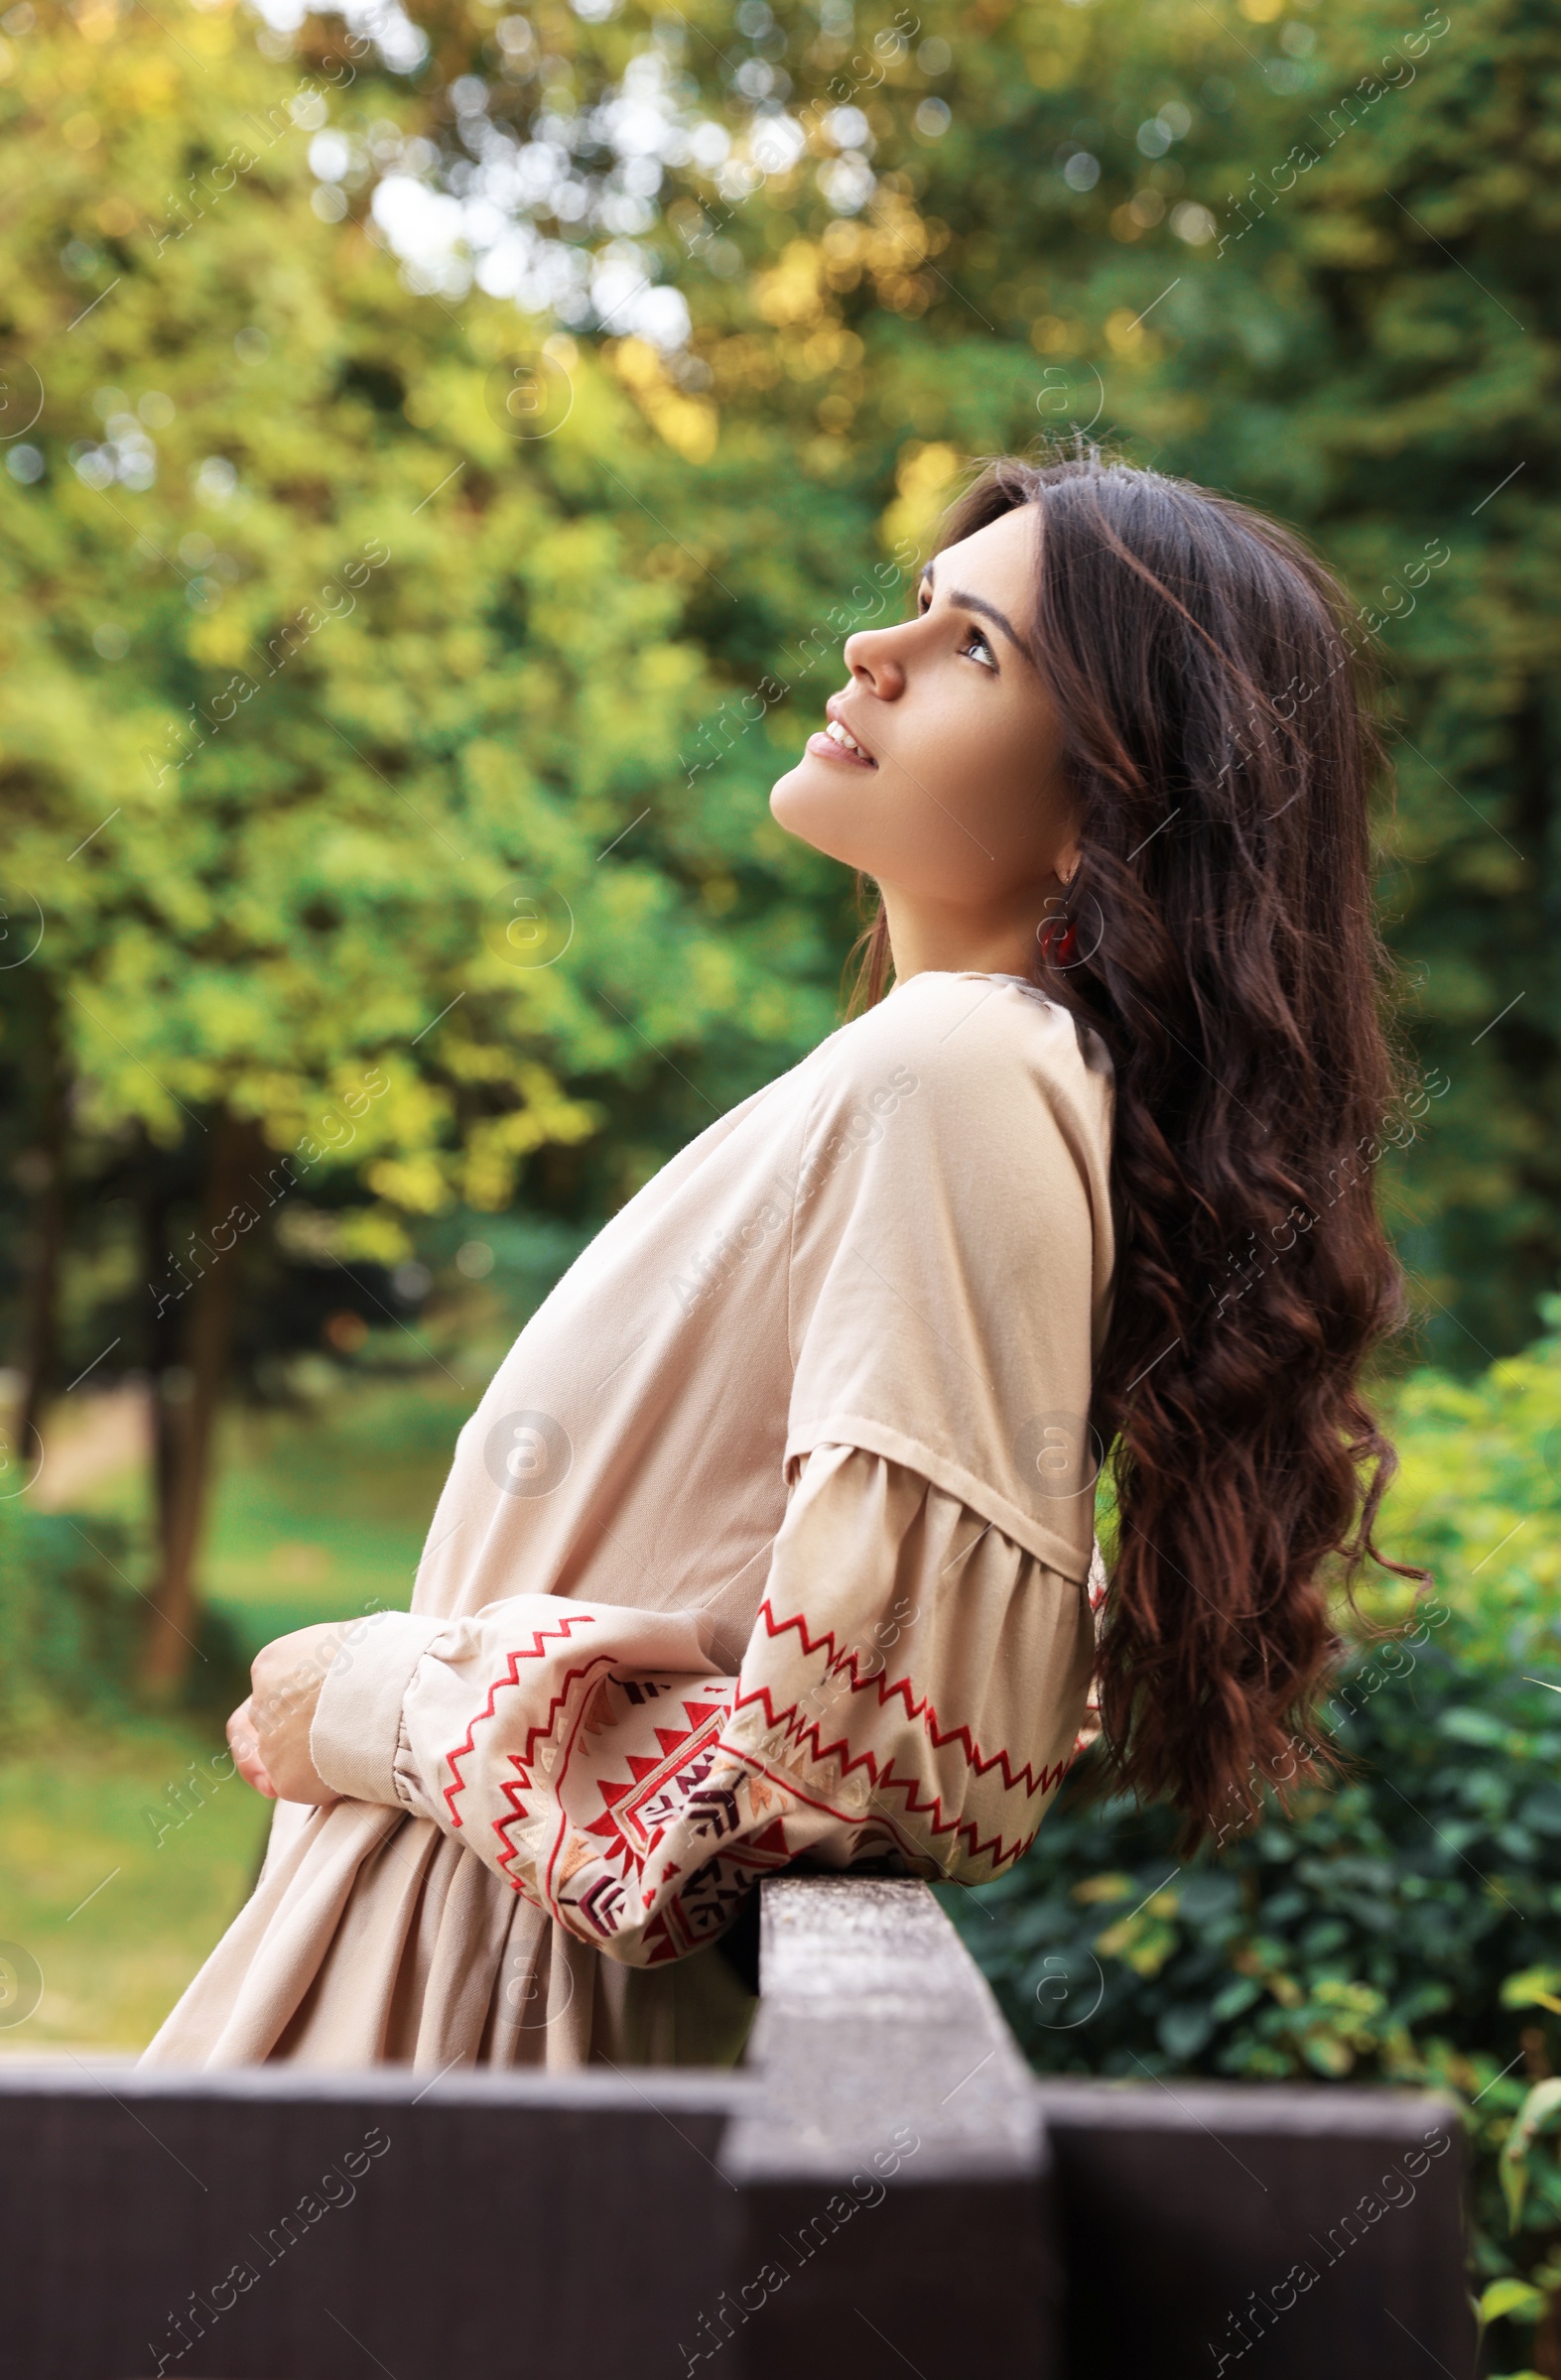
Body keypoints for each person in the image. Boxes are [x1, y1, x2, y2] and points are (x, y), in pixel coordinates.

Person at [144, 452, 1409, 2072]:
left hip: (494, 2045)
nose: (873, 651)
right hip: (463, 2003)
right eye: (922, 608)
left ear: (1111, 812)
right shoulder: (933, 1078)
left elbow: (846, 1771)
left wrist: (389, 1701)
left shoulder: (960, 1069)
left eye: (975, 650)